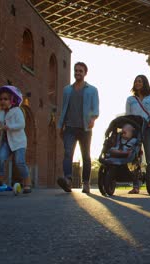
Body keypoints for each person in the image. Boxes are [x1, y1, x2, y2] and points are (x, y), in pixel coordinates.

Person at [57, 62, 99, 193]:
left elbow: (95, 108)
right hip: (69, 127)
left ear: (85, 73)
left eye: (80, 71)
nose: (77, 73)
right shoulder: (67, 90)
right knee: (68, 153)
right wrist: (60, 125)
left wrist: (93, 119)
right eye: (76, 71)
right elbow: (64, 108)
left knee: (86, 156)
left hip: (85, 128)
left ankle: (86, 183)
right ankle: (68, 180)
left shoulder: (92, 90)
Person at [125, 75, 150, 194]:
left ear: (144, 83)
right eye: (136, 81)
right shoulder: (130, 99)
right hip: (135, 129)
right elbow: (127, 115)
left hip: (148, 128)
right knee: (135, 157)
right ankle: (136, 186)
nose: (137, 83)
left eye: (140, 81)